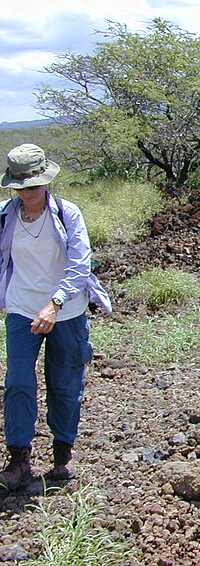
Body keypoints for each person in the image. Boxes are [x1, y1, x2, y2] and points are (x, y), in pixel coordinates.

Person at [0, 143, 111, 491]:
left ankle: (62, 453)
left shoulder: (67, 213)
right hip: (21, 309)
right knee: (18, 381)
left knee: (65, 386)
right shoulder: (5, 216)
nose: (27, 193)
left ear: (46, 182)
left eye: (32, 186)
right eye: (20, 187)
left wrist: (55, 304)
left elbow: (80, 264)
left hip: (67, 312)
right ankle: (19, 458)